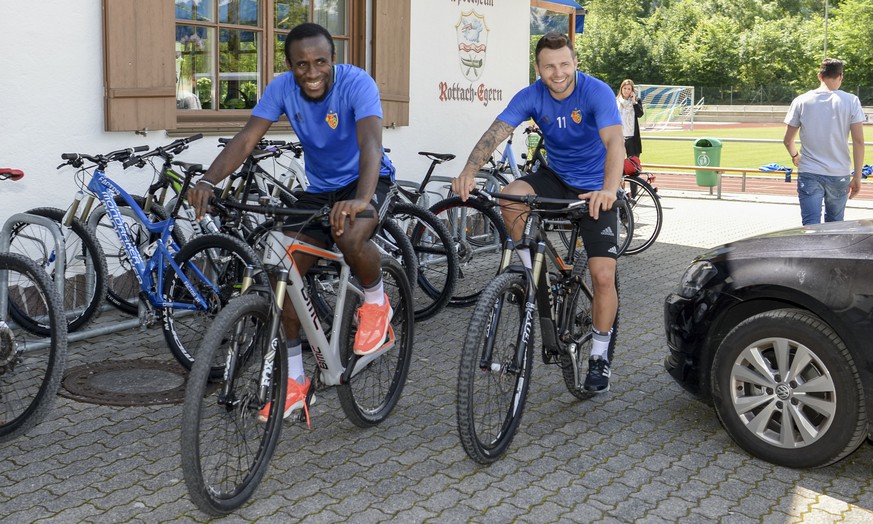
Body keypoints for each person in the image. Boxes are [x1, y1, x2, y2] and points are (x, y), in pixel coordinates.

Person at [189, 22, 396, 421]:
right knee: (282, 272)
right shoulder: (281, 88)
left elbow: (371, 142)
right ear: (289, 66)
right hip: (319, 189)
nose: (312, 72)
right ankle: (297, 382)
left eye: (320, 62)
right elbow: (247, 139)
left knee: (352, 236)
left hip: (367, 180)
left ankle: (376, 300)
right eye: (302, 64)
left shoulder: (357, 83)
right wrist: (207, 180)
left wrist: (361, 199)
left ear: (333, 59)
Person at [451, 32, 624, 394]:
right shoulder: (532, 95)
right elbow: (495, 133)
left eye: (564, 64)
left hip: (595, 186)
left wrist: (609, 189)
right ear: (538, 67)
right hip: (556, 177)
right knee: (511, 195)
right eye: (549, 66)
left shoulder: (596, 92)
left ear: (575, 62)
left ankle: (599, 354)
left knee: (602, 275)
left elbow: (614, 143)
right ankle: (530, 269)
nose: (557, 72)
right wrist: (469, 170)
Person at [783, 58, 865, 225]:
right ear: (841, 76)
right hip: (839, 173)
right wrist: (857, 176)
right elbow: (858, 141)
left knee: (810, 226)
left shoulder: (801, 100)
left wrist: (795, 155)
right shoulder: (852, 101)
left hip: (809, 172)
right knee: (835, 227)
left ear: (820, 76)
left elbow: (787, 140)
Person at [616, 79, 644, 158]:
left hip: (632, 137)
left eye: (629, 89)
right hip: (619, 137)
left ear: (632, 90)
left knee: (633, 164)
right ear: (621, 88)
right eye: (624, 88)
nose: (626, 91)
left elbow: (640, 114)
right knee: (617, 164)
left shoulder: (636, 101)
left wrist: (633, 101)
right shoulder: (616, 101)